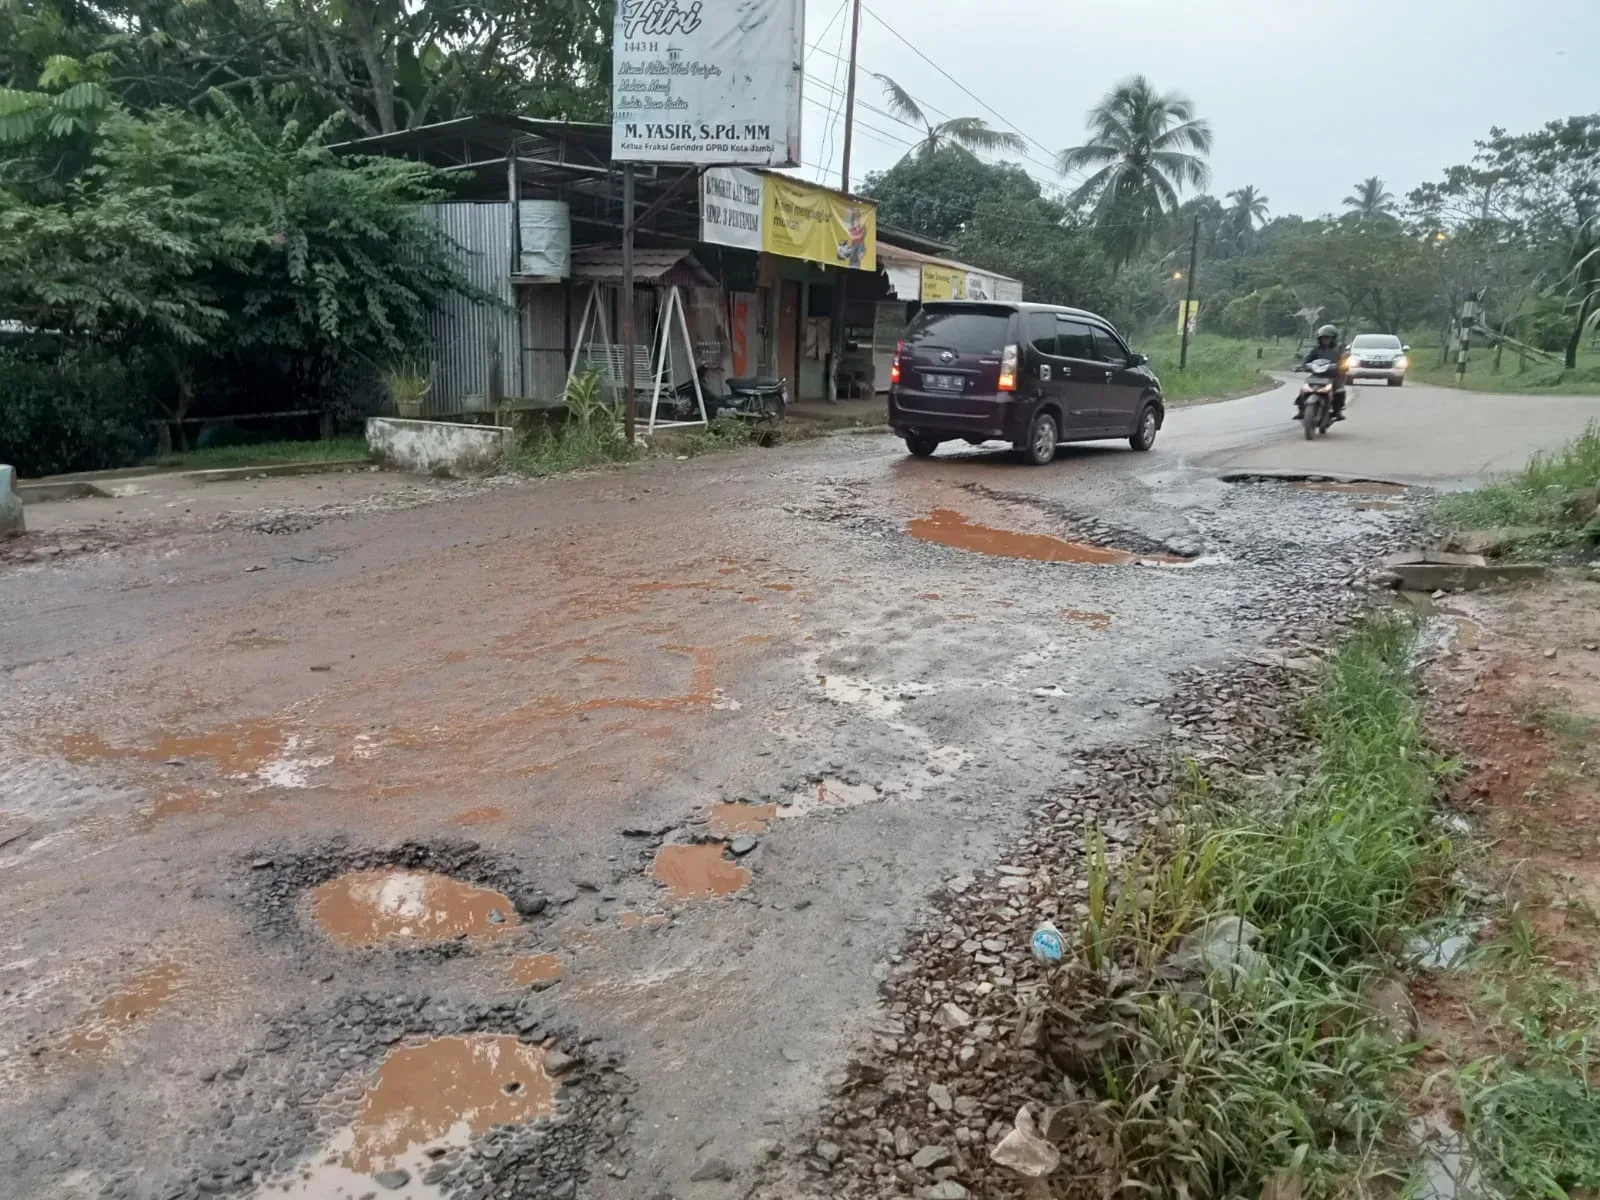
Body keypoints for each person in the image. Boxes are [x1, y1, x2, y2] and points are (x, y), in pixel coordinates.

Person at [1296, 324, 1347, 421]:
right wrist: (1302, 365)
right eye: (1323, 338)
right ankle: (1301, 409)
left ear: (1333, 339)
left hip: (1333, 376)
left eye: (1328, 338)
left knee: (1340, 390)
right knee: (1304, 389)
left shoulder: (1339, 350)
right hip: (1316, 375)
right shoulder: (1316, 350)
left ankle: (1338, 411)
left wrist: (1343, 367)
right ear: (1319, 339)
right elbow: (1307, 359)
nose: (1325, 340)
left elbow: (1344, 361)